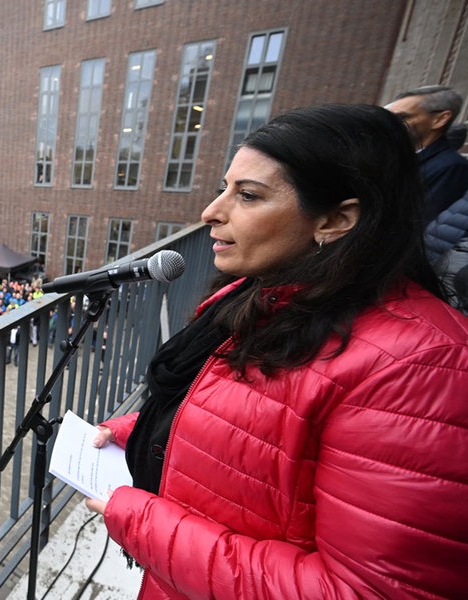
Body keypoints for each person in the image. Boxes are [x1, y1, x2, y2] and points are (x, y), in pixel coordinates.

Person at [84, 104, 468, 599]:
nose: (211, 211)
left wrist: (143, 520)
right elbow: (263, 438)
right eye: (224, 187)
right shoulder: (262, 295)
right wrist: (143, 433)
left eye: (247, 195)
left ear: (336, 219)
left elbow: (362, 590)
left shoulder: (419, 368)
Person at [385, 85, 468, 223]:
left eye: (402, 117)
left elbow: (418, 223)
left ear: (440, 119)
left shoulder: (452, 168)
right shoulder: (394, 158)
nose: (391, 124)